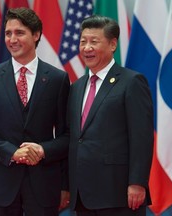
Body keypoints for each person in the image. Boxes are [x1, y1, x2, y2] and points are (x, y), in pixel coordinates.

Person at [0, 7, 70, 216]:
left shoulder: (57, 79)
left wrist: (42, 150)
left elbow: (67, 136)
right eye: (8, 33)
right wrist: (12, 152)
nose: (12, 39)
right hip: (1, 185)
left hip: (44, 186)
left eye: (19, 33)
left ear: (36, 35)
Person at [67, 15, 154, 216]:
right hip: (83, 195)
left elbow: (141, 137)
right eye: (83, 42)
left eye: (94, 42)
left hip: (118, 192)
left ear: (112, 44)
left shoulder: (132, 82)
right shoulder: (77, 87)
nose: (87, 48)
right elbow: (75, 139)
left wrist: (137, 182)